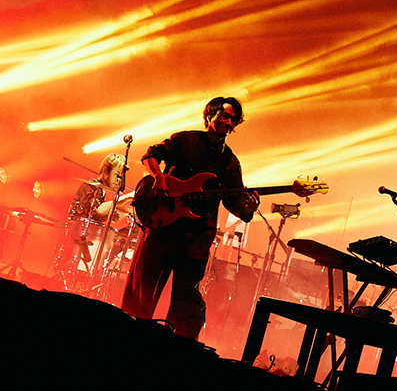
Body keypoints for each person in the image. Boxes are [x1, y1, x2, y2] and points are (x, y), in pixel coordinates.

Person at [121, 97, 259, 340]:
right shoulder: (185, 140)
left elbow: (235, 204)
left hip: (195, 241)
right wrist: (159, 177)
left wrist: (249, 207)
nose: (228, 122)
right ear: (210, 115)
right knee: (139, 299)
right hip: (163, 229)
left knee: (187, 309)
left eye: (233, 119)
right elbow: (150, 155)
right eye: (224, 116)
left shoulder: (230, 162)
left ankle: (178, 353)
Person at [54, 153, 135, 286]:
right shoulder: (92, 186)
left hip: (87, 241)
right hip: (77, 238)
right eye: (117, 175)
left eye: (121, 177)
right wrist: (126, 197)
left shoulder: (102, 192)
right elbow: (98, 210)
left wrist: (119, 219)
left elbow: (99, 219)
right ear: (105, 171)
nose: (119, 181)